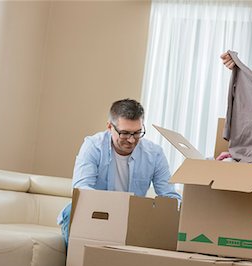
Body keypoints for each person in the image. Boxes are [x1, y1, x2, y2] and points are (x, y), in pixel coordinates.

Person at [57, 98, 181, 247]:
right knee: (72, 211)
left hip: (131, 218)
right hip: (96, 213)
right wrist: (115, 209)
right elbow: (82, 190)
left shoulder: (154, 154)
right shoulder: (93, 146)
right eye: (124, 133)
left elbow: (170, 197)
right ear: (110, 127)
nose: (131, 140)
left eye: (137, 133)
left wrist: (159, 211)